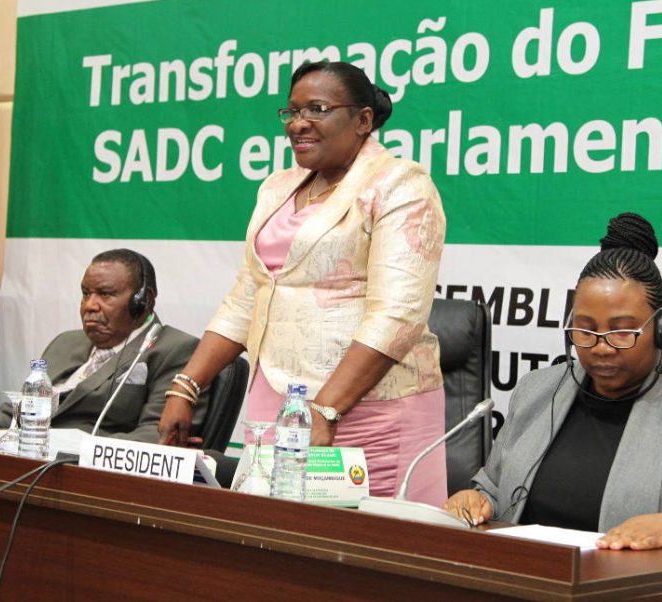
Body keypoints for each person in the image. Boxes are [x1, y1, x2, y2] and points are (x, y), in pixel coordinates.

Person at [158, 61, 448, 503]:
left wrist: (327, 408)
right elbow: (249, 295)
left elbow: (398, 314)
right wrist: (187, 385)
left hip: (367, 410)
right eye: (291, 112)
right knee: (268, 544)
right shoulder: (277, 188)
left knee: (365, 556)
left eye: (317, 109)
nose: (298, 124)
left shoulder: (400, 184)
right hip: (277, 402)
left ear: (362, 120)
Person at [444, 213, 662, 587]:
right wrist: (473, 500)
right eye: (585, 330)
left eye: (622, 331)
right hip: (526, 585)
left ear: (661, 330)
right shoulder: (538, 391)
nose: (600, 347)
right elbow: (494, 488)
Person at [0, 249, 204, 444]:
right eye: (86, 293)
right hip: (29, 461)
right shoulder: (65, 342)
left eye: (105, 294)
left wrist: (48, 442)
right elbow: (20, 410)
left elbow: (156, 437)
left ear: (144, 301)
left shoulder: (176, 350)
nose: (90, 305)